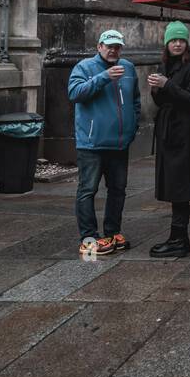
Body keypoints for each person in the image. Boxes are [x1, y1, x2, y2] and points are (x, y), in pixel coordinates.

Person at [68, 29, 140, 257]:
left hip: (119, 142)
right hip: (91, 143)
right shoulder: (84, 67)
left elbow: (135, 100)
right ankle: (88, 239)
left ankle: (112, 232)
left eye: (117, 46)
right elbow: (75, 93)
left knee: (118, 190)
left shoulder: (128, 67)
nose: (113, 50)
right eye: (108, 45)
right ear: (99, 46)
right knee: (87, 190)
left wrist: (132, 127)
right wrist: (104, 77)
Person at [148, 21, 190, 259]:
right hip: (168, 134)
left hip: (183, 136)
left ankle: (179, 239)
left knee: (181, 186)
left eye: (181, 40)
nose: (178, 44)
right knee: (173, 185)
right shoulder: (167, 66)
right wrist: (156, 90)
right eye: (173, 40)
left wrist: (167, 85)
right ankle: (177, 238)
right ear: (167, 43)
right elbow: (164, 102)